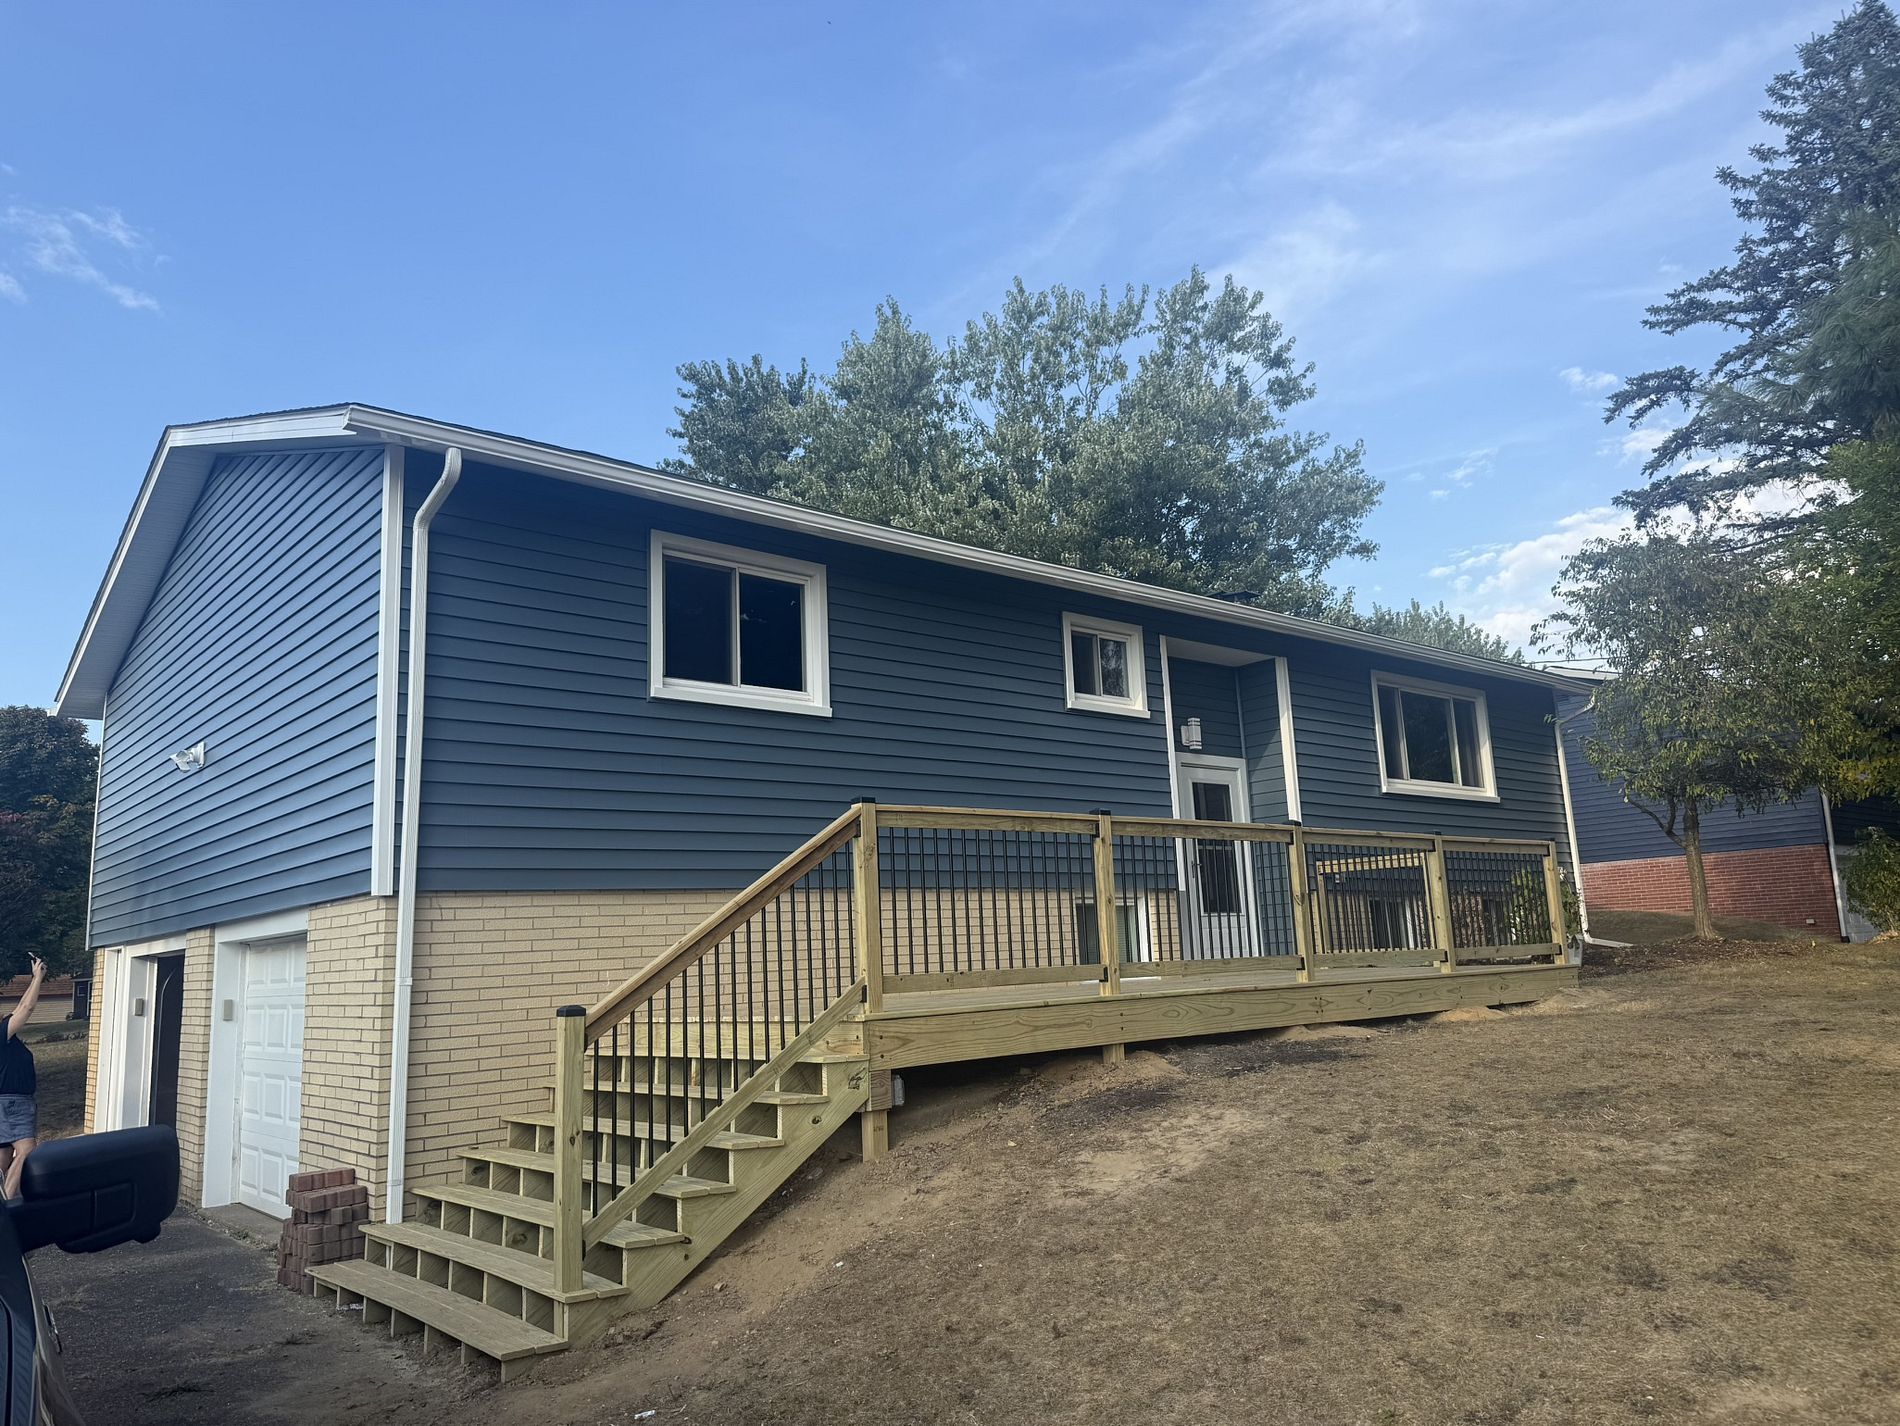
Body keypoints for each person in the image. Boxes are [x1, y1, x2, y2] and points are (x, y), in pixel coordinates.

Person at [0, 956, 46, 1199]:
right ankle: (5, 1209)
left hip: (5, 1104)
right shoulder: (0, 1034)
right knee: (27, 1150)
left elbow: (20, 1007)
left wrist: (33, 978)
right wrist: (38, 978)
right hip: (13, 1103)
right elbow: (25, 1008)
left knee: (4, 1157)